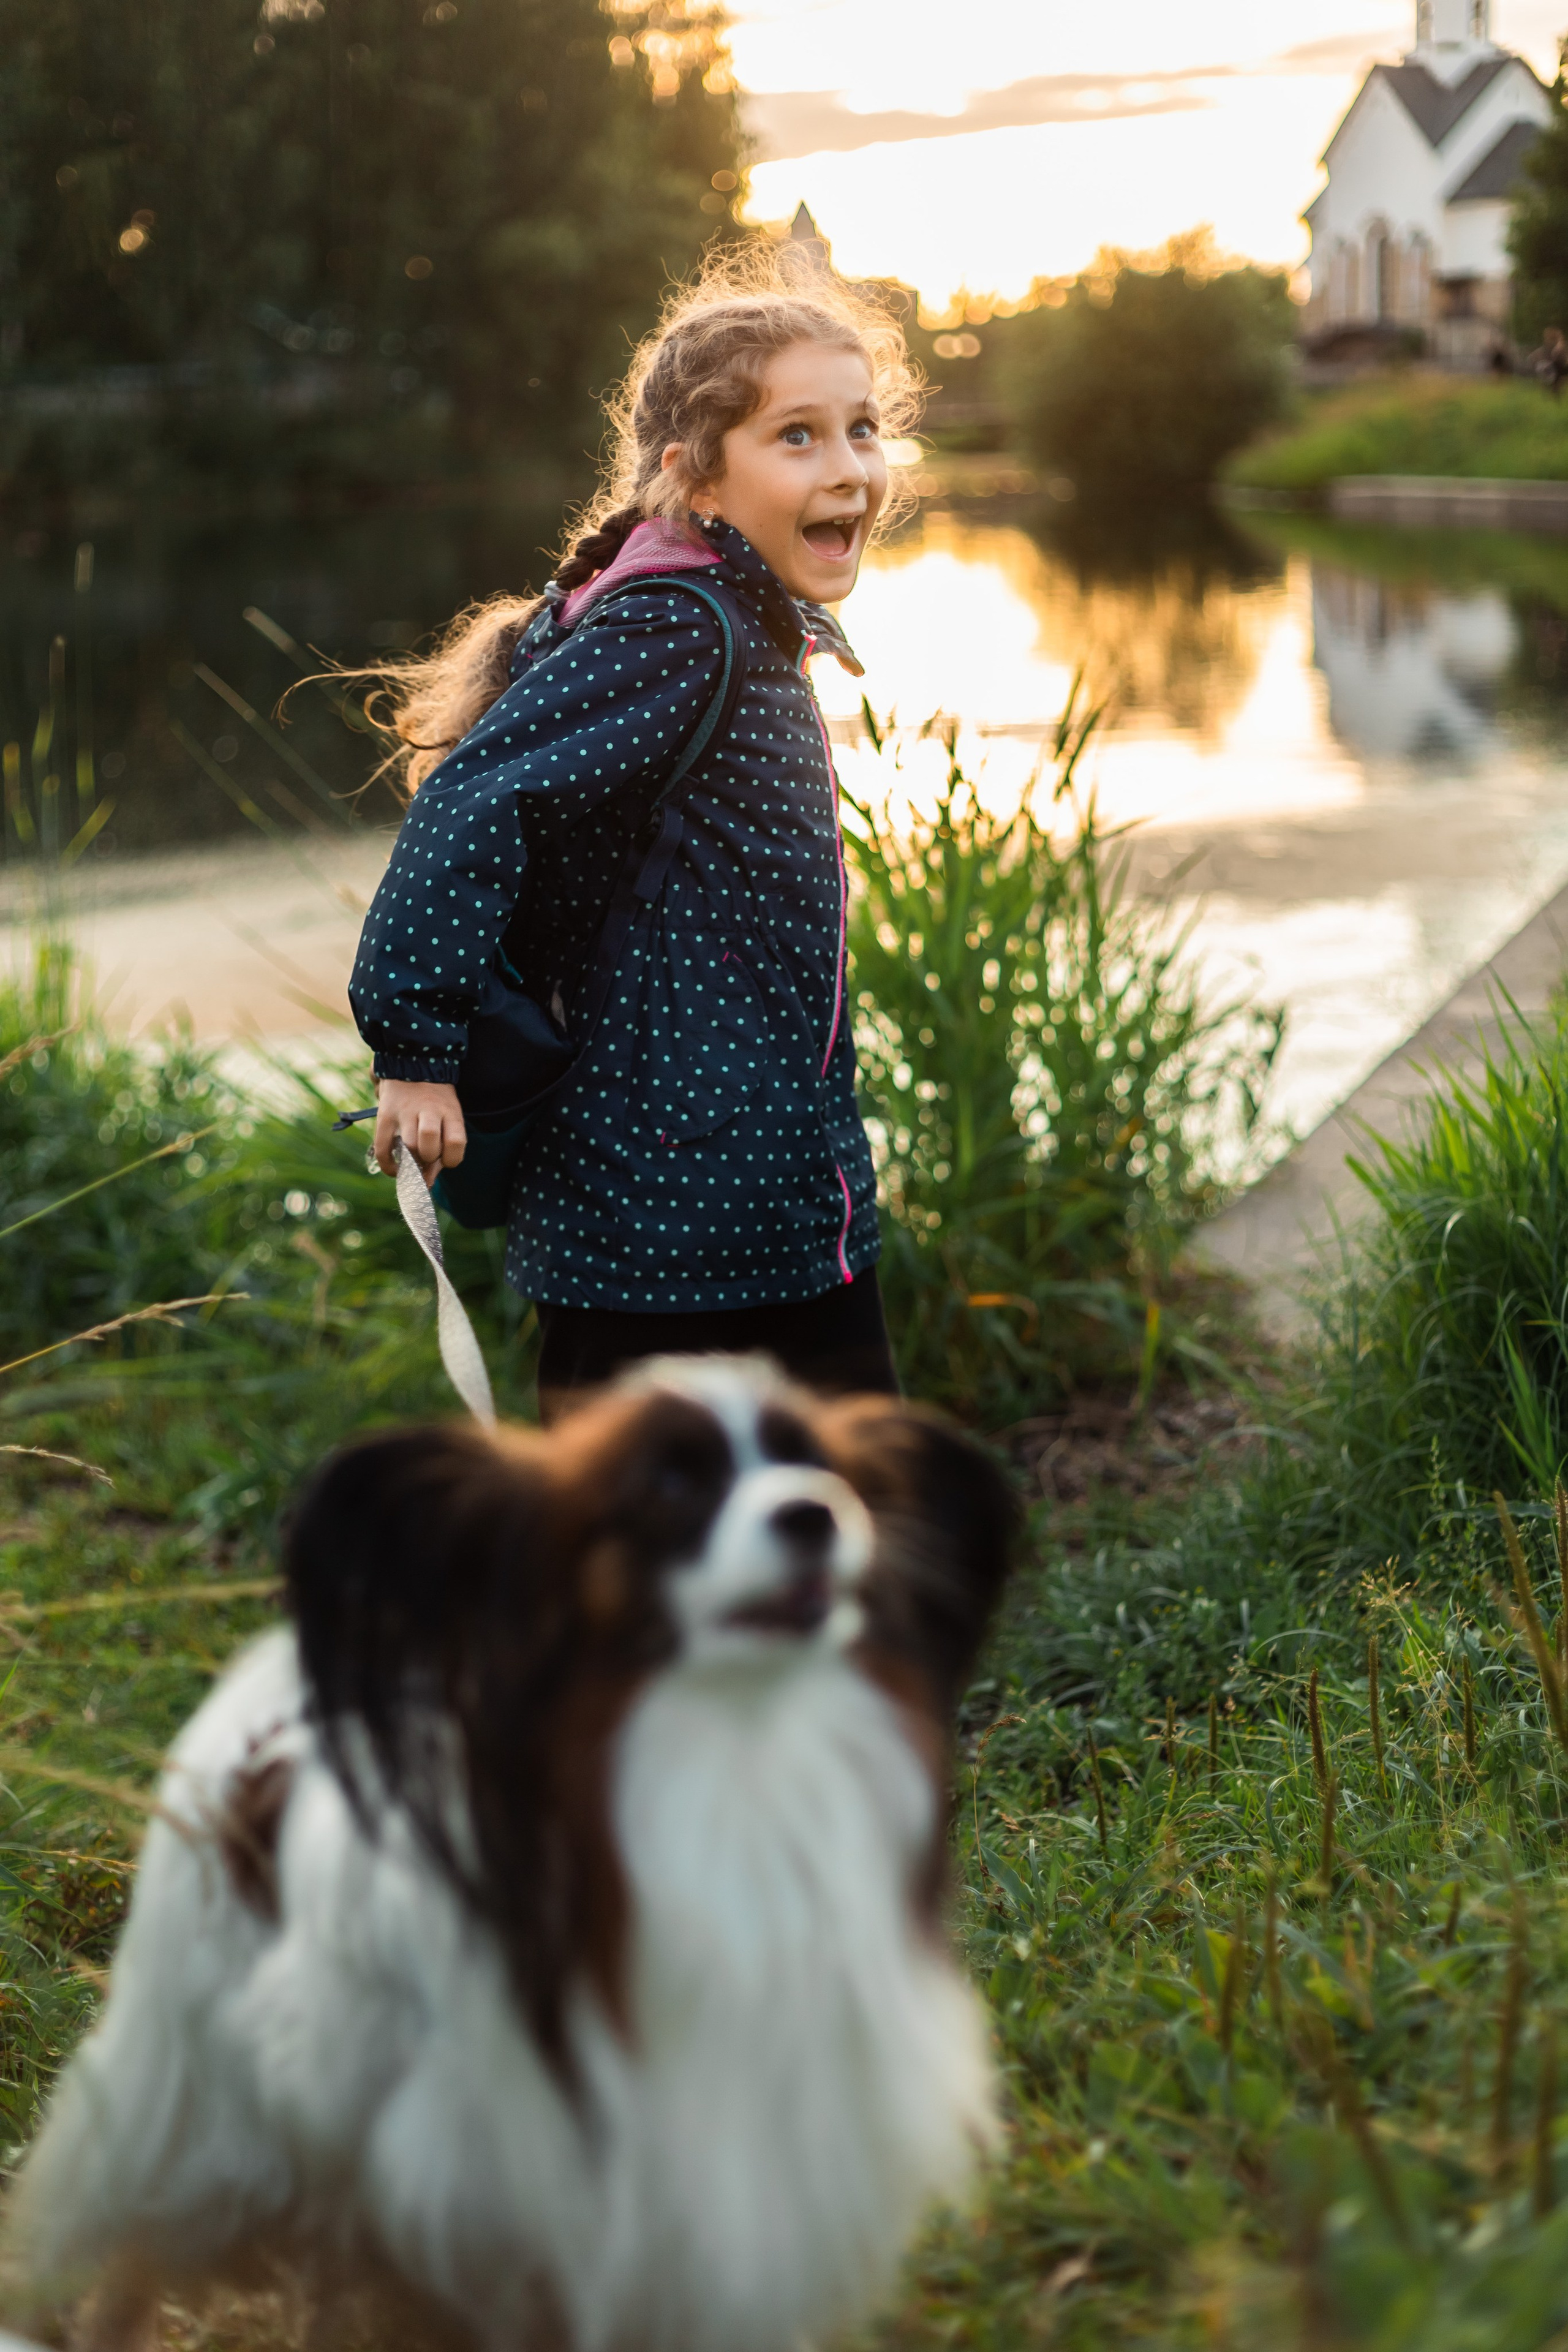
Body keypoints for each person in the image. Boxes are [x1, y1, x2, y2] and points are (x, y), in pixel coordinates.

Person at [345, 257, 919, 1417]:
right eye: (797, 437)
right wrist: (415, 1048)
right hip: (668, 1223)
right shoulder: (679, 627)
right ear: (694, 478)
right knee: (666, 1557)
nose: (851, 468)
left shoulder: (731, 617)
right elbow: (475, 799)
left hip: (755, 1197)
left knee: (844, 1533)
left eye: (862, 429)